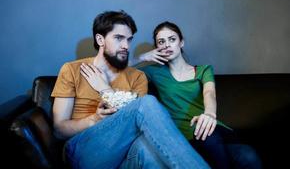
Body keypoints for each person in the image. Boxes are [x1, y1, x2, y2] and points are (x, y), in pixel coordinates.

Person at [51, 11, 210, 169]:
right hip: (84, 152)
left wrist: (104, 89)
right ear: (100, 39)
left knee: (150, 153)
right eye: (119, 38)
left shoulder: (138, 77)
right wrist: (94, 119)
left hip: (125, 154)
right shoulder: (72, 69)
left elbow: (139, 123)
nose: (126, 46)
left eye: (129, 39)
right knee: (145, 103)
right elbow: (59, 130)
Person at [136, 21, 262, 169]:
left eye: (172, 39)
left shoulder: (203, 70)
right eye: (161, 42)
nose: (167, 45)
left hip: (211, 127)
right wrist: (142, 58)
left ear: (181, 42)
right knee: (247, 155)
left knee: (247, 154)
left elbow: (209, 93)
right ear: (157, 48)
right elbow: (117, 71)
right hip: (184, 137)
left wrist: (209, 114)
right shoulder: (154, 72)